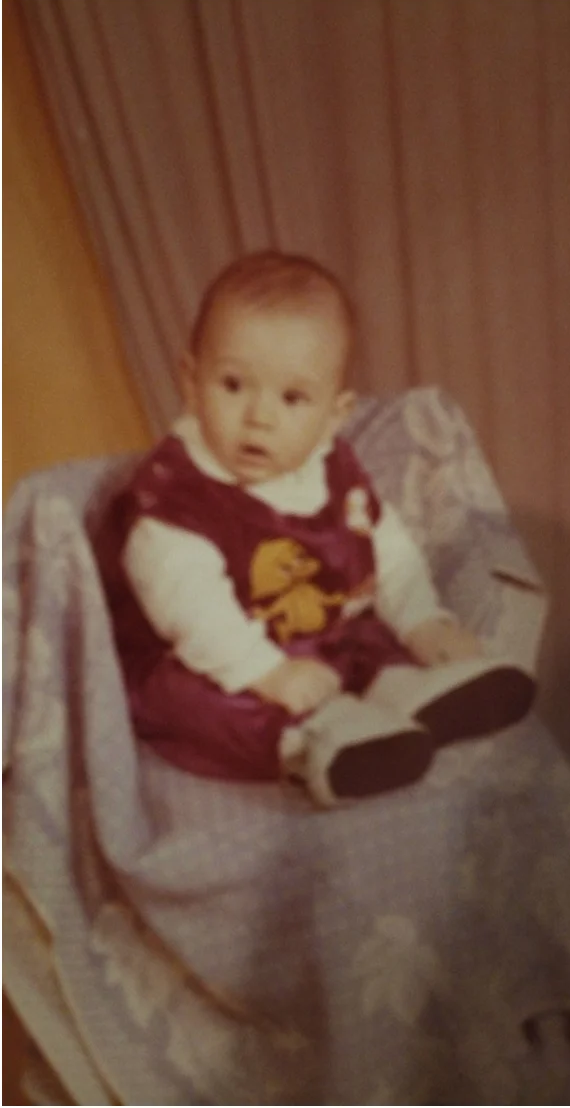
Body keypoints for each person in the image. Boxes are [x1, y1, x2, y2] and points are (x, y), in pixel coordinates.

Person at [95, 251, 534, 806]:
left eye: (293, 398)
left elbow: (386, 550)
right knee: (192, 699)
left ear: (334, 413)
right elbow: (190, 608)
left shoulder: (330, 466)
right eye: (233, 384)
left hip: (323, 637)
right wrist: (267, 673)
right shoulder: (173, 499)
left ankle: (403, 692)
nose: (260, 417)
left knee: (368, 636)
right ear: (190, 380)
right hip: (214, 653)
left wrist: (421, 621)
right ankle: (311, 743)